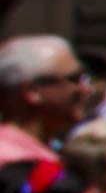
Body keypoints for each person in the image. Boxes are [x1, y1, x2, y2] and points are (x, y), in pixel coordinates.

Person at [0, 35, 94, 174]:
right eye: (74, 79)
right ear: (31, 91)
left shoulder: (45, 155)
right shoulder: (11, 163)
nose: (86, 89)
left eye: (85, 79)